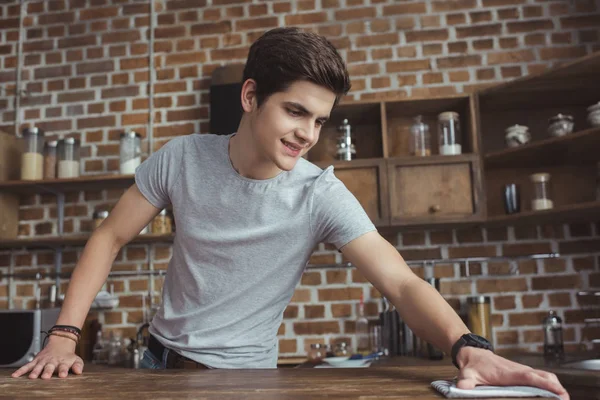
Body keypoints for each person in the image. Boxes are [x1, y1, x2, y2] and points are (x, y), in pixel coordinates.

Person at [12, 26, 569, 399]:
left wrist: (468, 346)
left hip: (246, 381)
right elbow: (109, 237)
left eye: (320, 120)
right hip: (155, 368)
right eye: (295, 111)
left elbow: (399, 282)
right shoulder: (181, 158)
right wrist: (63, 335)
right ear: (251, 97)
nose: (307, 134)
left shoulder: (320, 193)